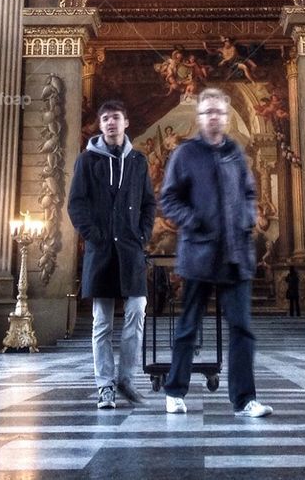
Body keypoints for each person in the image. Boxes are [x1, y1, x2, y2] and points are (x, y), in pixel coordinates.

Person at [160, 87, 273, 418]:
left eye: (219, 113)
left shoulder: (236, 153)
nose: (214, 117)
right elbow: (169, 199)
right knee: (188, 327)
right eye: (208, 112)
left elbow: (249, 191)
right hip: (198, 253)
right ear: (199, 117)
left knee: (242, 329)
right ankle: (175, 391)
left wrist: (248, 216)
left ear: (226, 117)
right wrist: (193, 221)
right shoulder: (185, 155)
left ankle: (244, 399)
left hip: (235, 255)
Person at [67, 100, 156, 409]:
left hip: (131, 250)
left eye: (115, 117)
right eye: (105, 119)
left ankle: (126, 380)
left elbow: (148, 204)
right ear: (100, 126)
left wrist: (143, 234)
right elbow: (76, 204)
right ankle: (105, 386)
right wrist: (95, 236)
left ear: (125, 123)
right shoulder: (86, 161)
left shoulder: (139, 161)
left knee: (136, 313)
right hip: (101, 251)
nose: (110, 123)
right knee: (102, 323)